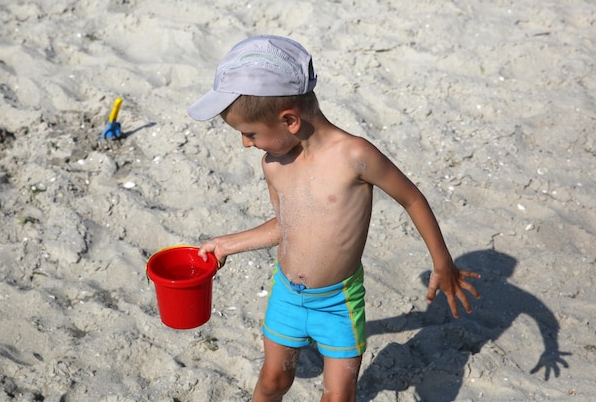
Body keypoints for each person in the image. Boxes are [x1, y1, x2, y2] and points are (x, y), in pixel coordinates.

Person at [188, 35, 480, 402]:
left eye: (250, 134)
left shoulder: (355, 155)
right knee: (273, 381)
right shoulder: (274, 165)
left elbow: (412, 199)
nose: (246, 144)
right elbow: (287, 225)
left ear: (289, 120)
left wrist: (442, 262)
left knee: (339, 395)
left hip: (338, 301)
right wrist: (227, 244)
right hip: (288, 297)